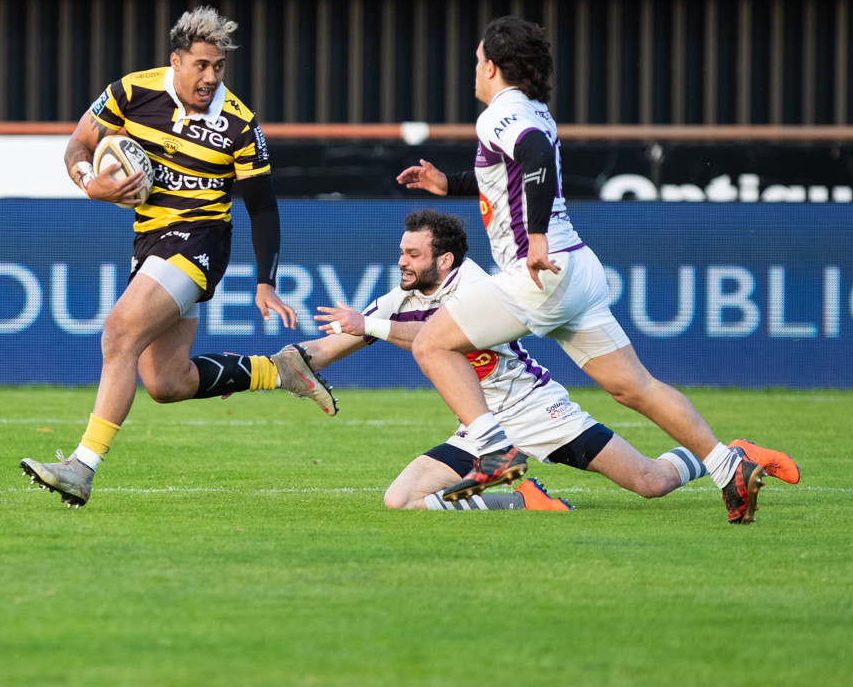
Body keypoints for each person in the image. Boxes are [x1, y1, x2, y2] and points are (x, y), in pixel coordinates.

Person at [396, 15, 771, 524]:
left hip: (541, 272)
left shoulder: (501, 112)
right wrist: (450, 185)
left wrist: (538, 238)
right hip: (578, 268)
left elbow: (531, 156)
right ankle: (727, 463)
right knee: (634, 386)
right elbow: (510, 173)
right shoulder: (535, 109)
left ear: (496, 66)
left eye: (479, 60)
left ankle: (494, 450)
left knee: (431, 344)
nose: (475, 69)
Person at [21, 6, 336, 508]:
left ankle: (81, 467)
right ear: (176, 60)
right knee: (166, 382)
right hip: (150, 242)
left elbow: (263, 207)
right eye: (202, 66)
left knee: (119, 330)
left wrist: (265, 281)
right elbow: (78, 145)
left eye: (219, 67)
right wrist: (90, 183)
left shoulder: (239, 123)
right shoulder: (131, 91)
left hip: (201, 239)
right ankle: (280, 371)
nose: (211, 77)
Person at [290, 208, 800, 512]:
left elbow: (440, 339)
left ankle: (724, 452)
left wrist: (372, 326)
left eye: (412, 254)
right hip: (481, 427)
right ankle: (522, 497)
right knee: (397, 501)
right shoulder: (396, 300)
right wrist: (268, 371)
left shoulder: (476, 286)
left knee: (651, 483)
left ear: (444, 260)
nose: (401, 261)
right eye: (401, 251)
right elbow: (326, 348)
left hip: (538, 412)